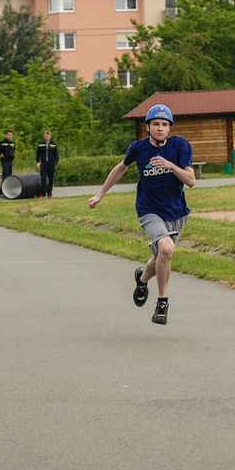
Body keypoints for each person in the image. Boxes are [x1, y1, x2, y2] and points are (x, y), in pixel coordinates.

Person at [88, 104, 195, 325]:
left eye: (164, 124)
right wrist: (100, 194)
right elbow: (120, 168)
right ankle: (162, 303)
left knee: (160, 257)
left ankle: (142, 278)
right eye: (155, 124)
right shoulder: (138, 148)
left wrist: (170, 165)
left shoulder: (180, 145)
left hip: (176, 211)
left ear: (169, 128)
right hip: (149, 209)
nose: (160, 128)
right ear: (148, 127)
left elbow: (191, 181)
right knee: (167, 249)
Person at [35, 131, 59, 198]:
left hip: (51, 164)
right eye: (45, 136)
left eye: (48, 136)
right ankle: (43, 193)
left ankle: (49, 193)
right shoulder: (40, 145)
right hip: (43, 164)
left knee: (51, 179)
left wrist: (55, 163)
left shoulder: (53, 145)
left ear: (50, 137)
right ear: (44, 136)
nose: (47, 137)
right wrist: (37, 162)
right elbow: (38, 154)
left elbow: (56, 155)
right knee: (43, 178)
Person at [0, 130, 16, 195]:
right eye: (8, 135)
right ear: (6, 135)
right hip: (5, 161)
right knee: (5, 177)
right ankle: (1, 192)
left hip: (10, 161)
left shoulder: (12, 143)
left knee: (9, 177)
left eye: (11, 135)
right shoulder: (2, 142)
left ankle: (7, 192)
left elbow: (13, 150)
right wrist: (0, 153)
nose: (10, 136)